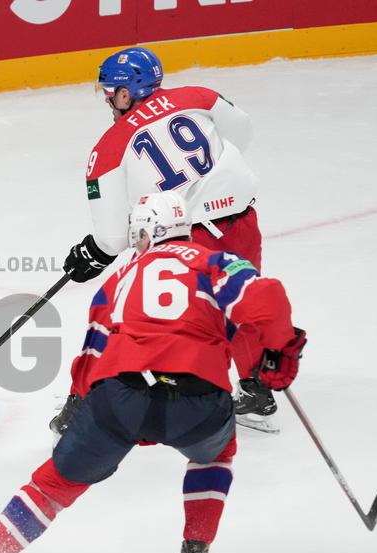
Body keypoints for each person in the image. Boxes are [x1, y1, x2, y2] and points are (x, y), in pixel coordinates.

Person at [0, 192, 305, 553]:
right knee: (215, 454)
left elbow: (90, 354)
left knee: (54, 484)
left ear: (145, 233)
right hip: (198, 399)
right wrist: (283, 350)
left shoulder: (118, 281)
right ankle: (194, 552)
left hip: (119, 397)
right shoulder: (215, 262)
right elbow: (267, 297)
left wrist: (79, 410)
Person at [61, 46, 278, 432]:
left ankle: (86, 408)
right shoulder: (199, 96)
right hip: (241, 221)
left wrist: (90, 254)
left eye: (110, 92)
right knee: (237, 301)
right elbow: (243, 134)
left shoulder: (109, 146)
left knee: (121, 314)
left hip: (180, 241)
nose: (108, 100)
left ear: (126, 93)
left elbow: (112, 238)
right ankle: (256, 389)